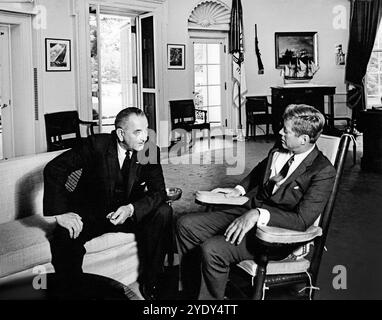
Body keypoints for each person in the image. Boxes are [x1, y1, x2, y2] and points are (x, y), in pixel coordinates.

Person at [176, 104, 336, 300]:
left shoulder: (323, 171)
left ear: (303, 139)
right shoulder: (280, 147)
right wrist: (239, 189)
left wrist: (259, 215)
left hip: (275, 234)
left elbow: (302, 220)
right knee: (186, 225)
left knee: (213, 249)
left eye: (286, 131)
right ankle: (194, 293)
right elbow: (262, 169)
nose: (279, 133)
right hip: (249, 209)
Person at [43, 107, 172, 300]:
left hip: (127, 213)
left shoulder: (149, 150)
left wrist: (131, 209)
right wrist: (60, 213)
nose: (145, 137)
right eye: (138, 132)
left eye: (146, 129)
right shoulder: (96, 145)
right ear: (120, 133)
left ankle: (151, 282)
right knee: (64, 237)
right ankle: (74, 292)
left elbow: (159, 192)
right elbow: (55, 168)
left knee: (163, 211)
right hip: (92, 213)